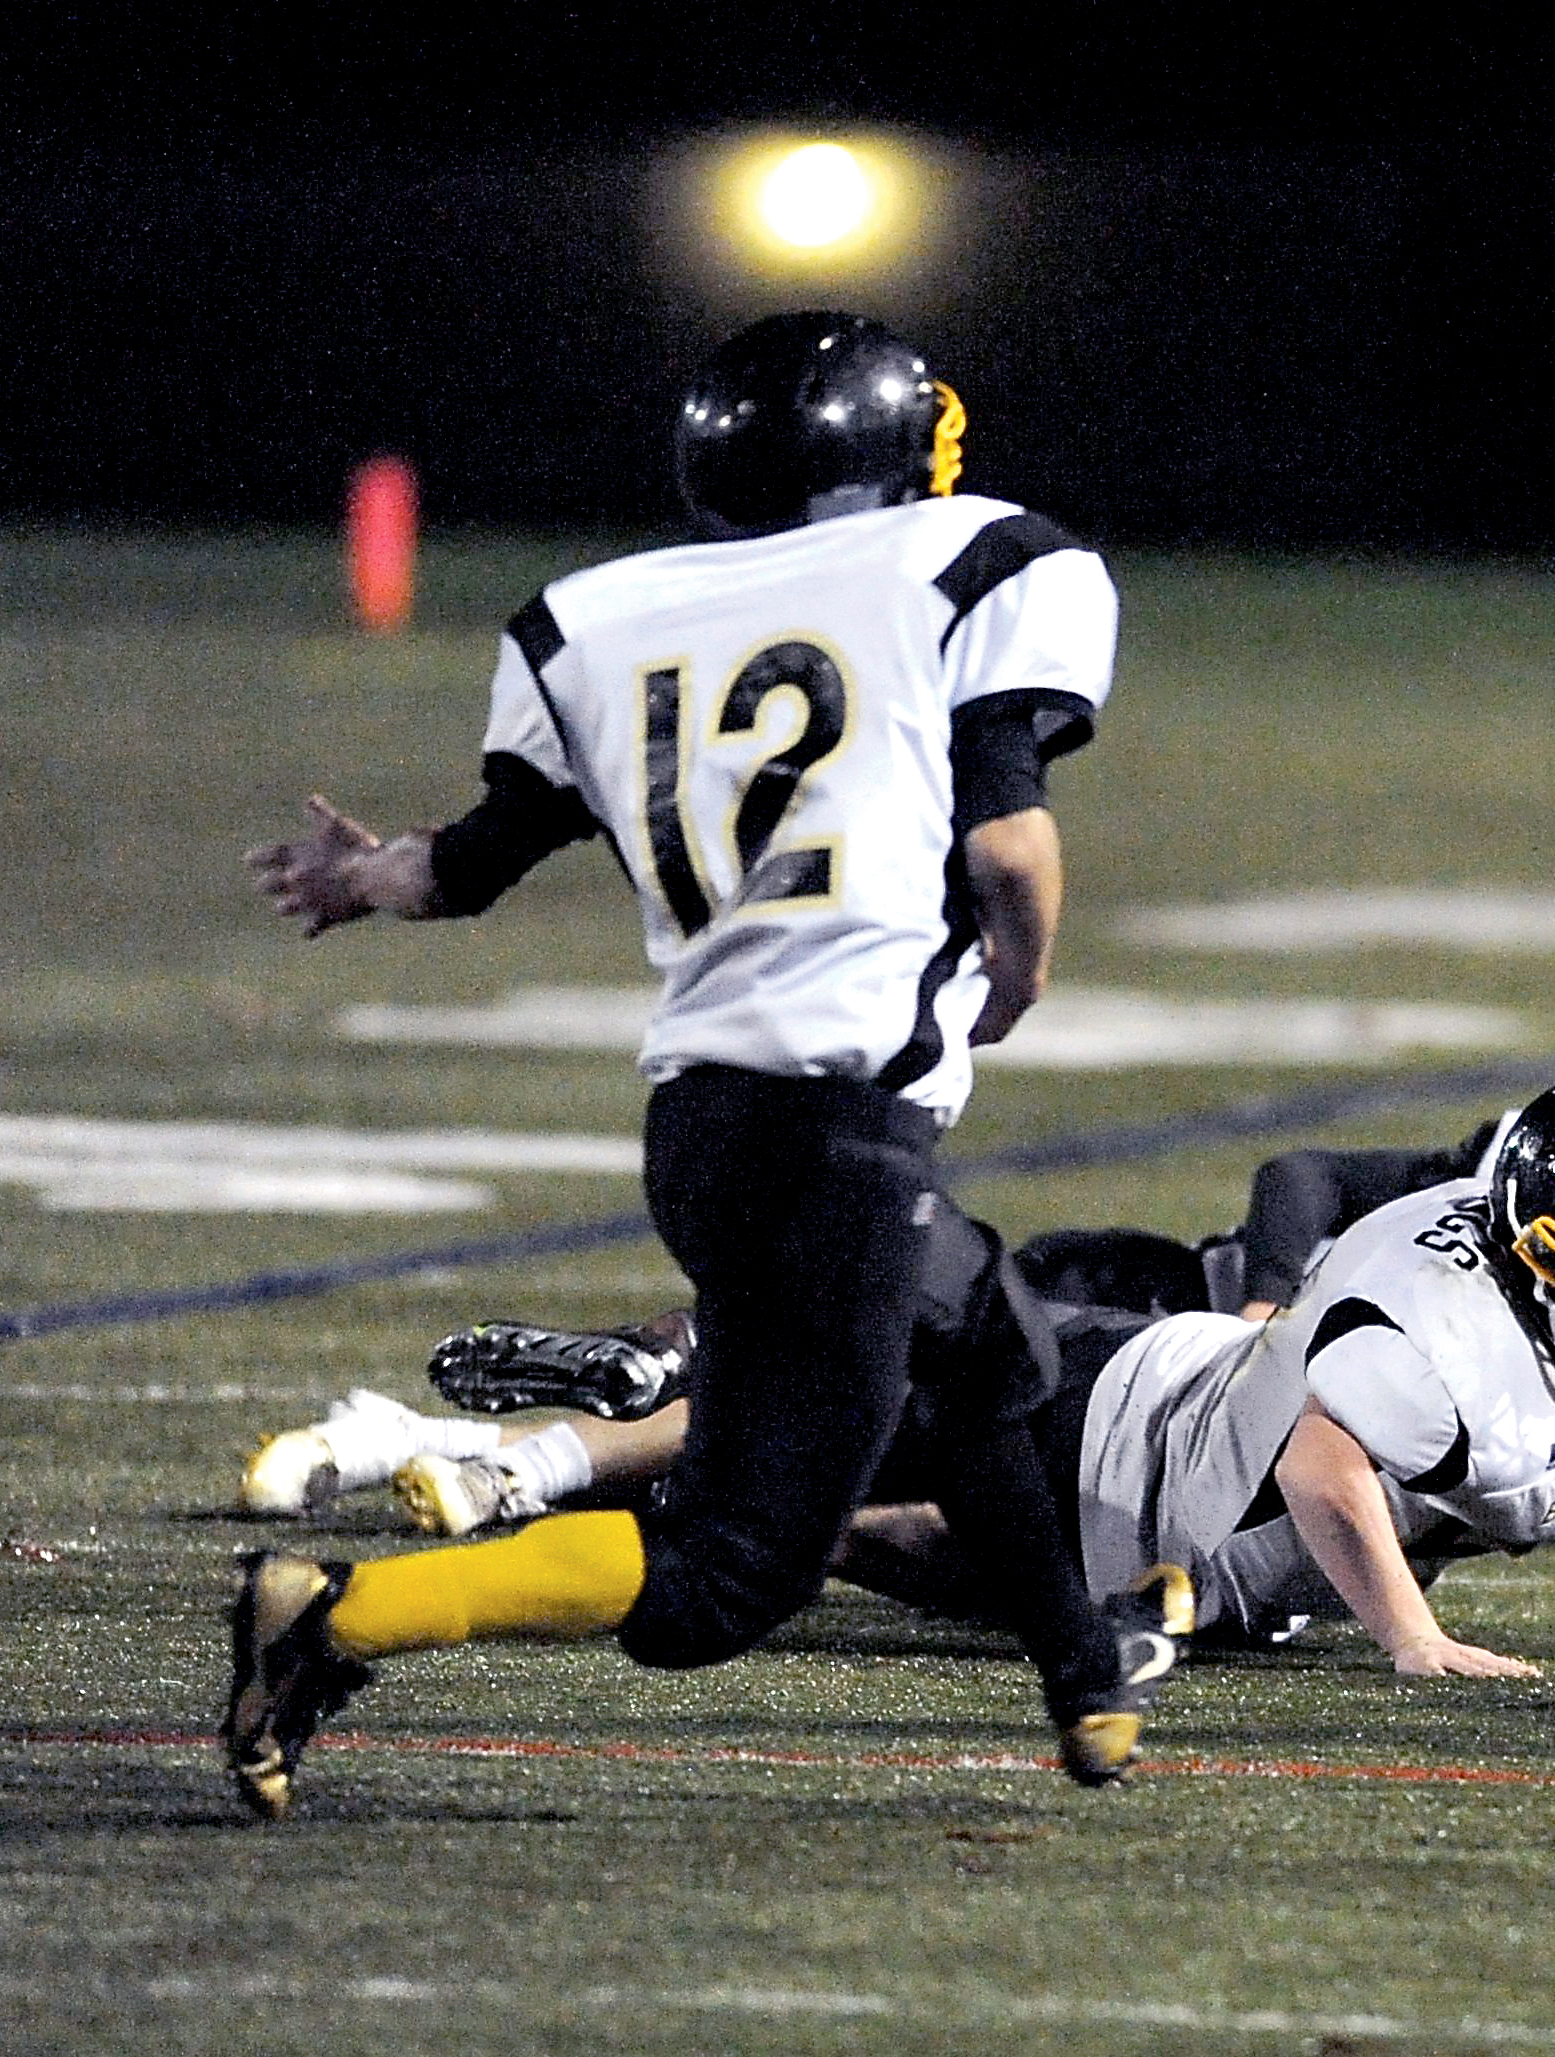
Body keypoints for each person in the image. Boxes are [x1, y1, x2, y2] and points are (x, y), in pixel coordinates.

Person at [227, 310, 1174, 1817]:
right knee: (727, 1580)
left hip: (709, 1126)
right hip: (836, 1133)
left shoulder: (604, 615)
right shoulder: (978, 560)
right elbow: (1007, 838)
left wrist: (358, 877)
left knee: (988, 1348)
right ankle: (336, 1616)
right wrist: (1021, 971)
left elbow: (468, 863)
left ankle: (1083, 1671)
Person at [234, 1082, 1555, 1681]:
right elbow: (1325, 1468)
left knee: (823, 1534)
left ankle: (601, 1459)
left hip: (1195, 1548)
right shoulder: (1430, 1298)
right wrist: (1412, 1638)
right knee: (824, 1466)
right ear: (1531, 1238)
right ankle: (559, 1442)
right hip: (1131, 1416)